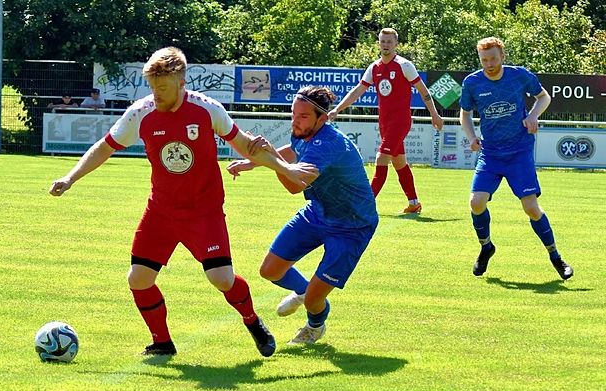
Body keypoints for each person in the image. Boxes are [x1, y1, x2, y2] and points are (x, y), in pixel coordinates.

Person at [48, 46, 280, 357]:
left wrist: (286, 167)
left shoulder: (208, 110)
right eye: (153, 87)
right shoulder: (140, 113)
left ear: (181, 83)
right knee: (139, 279)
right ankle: (162, 342)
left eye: (163, 88)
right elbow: (105, 147)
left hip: (203, 212)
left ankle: (253, 322)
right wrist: (70, 177)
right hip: (161, 212)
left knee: (221, 279)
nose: (156, 94)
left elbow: (244, 145)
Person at [228, 86, 379, 345]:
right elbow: (291, 151)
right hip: (318, 213)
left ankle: (315, 325)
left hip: (352, 226)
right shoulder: (304, 132)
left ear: (323, 118)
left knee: (313, 301)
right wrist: (254, 162)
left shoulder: (329, 144)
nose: (295, 121)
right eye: (293, 114)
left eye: (303, 116)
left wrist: (268, 158)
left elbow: (293, 185)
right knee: (270, 270)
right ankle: (303, 290)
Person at [459, 37, 573, 280]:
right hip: (490, 154)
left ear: (502, 56)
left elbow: (544, 97)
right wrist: (471, 137)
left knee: (531, 208)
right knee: (476, 202)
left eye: (493, 58)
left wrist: (532, 116)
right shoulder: (472, 82)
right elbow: (465, 113)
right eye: (484, 60)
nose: (489, 64)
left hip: (519, 151)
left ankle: (556, 257)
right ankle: (486, 247)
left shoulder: (519, 75)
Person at [328, 28, 444, 214]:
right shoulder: (374, 67)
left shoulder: (404, 65)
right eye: (383, 41)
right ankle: (414, 203)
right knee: (399, 163)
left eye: (389, 42)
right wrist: (337, 109)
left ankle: (364, 205)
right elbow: (358, 91)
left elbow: (424, 91)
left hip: (400, 122)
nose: (385, 45)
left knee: (381, 158)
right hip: (384, 123)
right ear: (379, 43)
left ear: (396, 44)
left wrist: (435, 114)